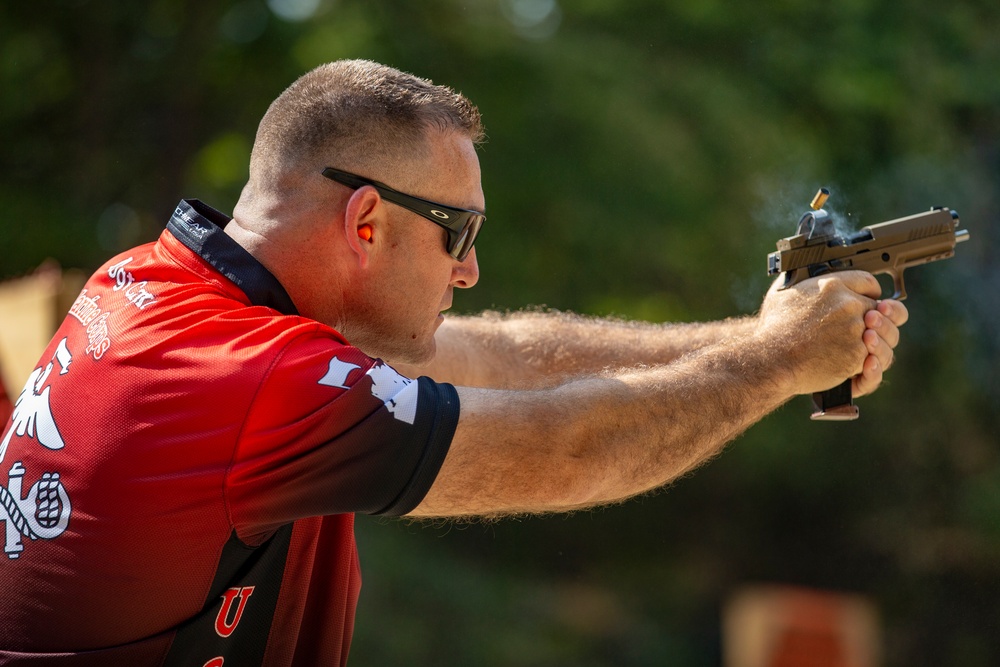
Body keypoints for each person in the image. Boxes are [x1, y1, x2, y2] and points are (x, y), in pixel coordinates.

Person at [0, 59, 906, 666]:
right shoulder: (257, 377)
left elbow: (504, 356)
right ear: (365, 223)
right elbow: (567, 446)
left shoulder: (159, 287)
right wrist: (780, 361)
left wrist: (757, 338)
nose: (471, 268)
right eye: (459, 232)